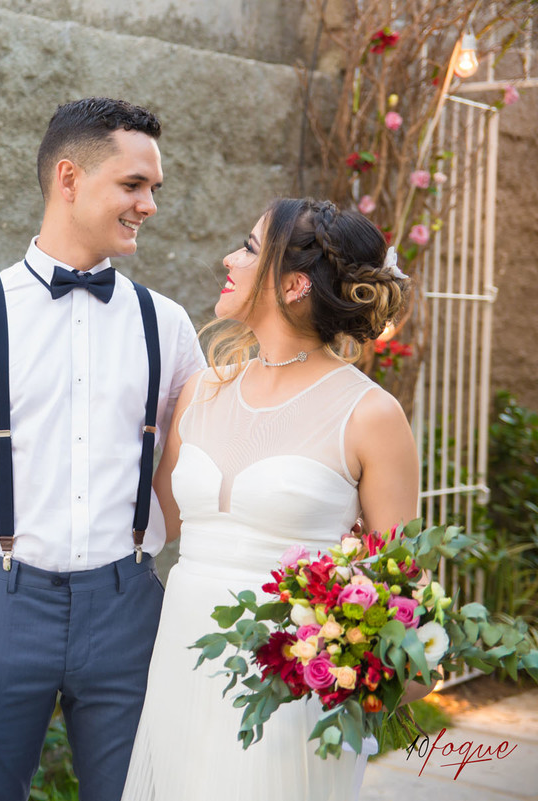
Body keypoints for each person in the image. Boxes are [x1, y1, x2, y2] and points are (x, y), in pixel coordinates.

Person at [0, 97, 205, 801]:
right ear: (70, 178)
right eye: (133, 185)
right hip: (1, 605)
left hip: (128, 605)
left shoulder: (170, 326)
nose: (149, 204)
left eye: (154, 188)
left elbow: (204, 462)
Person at [121, 197, 419, 801]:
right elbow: (154, 523)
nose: (229, 258)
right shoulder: (203, 389)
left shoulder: (370, 415)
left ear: (293, 284)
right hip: (181, 661)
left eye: (250, 248)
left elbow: (398, 589)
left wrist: (346, 662)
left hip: (288, 684)